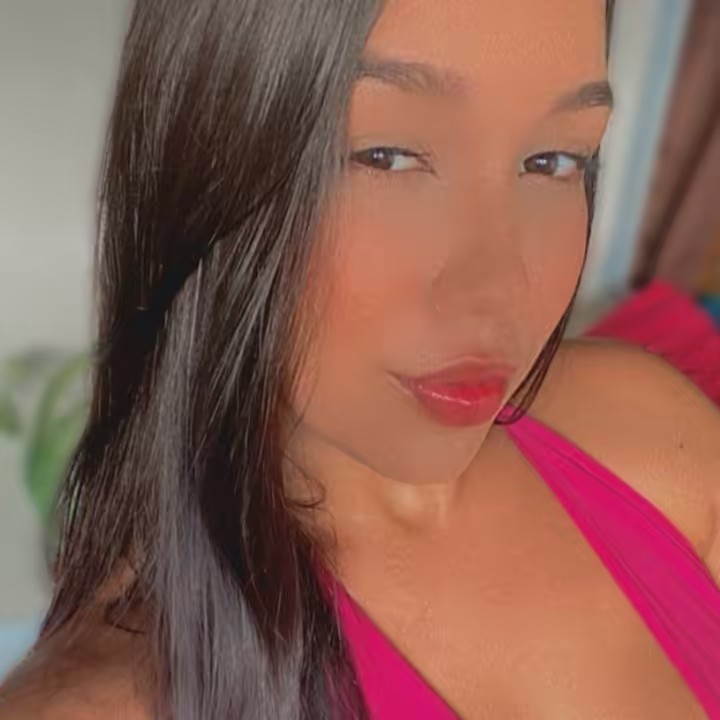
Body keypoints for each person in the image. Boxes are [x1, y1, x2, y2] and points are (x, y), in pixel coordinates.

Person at [1, 0, 719, 718]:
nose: (501, 290)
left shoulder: (649, 437)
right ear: (207, 155)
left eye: (552, 160)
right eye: (389, 156)